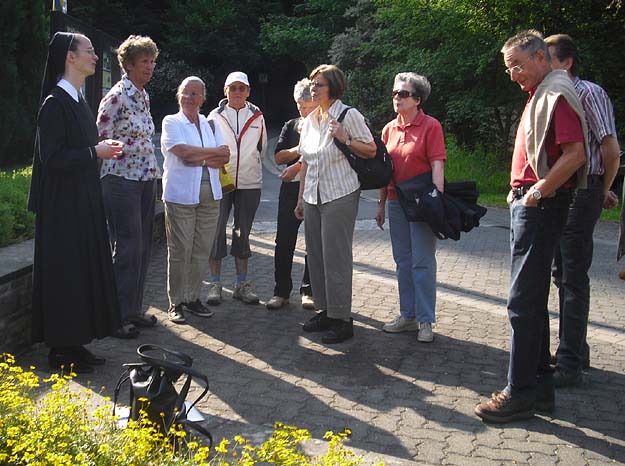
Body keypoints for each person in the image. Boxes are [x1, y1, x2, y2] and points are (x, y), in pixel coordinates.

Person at [475, 30, 588, 423]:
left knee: (521, 302)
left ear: (542, 57)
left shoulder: (555, 94)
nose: (513, 75)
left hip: (541, 207)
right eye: (509, 68)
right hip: (531, 205)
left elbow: (576, 154)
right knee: (532, 299)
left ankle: (518, 391)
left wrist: (537, 192)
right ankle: (540, 390)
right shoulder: (542, 92)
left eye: (518, 65)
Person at [28, 32, 124, 373]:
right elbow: (51, 158)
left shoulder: (79, 99)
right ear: (69, 57)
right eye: (89, 51)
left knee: (79, 272)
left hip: (81, 202)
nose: (96, 57)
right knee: (65, 274)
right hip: (62, 208)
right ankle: (60, 349)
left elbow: (78, 150)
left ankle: (75, 342)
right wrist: (93, 152)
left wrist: (100, 146)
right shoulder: (55, 102)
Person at [544, 34, 621, 387]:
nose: (542, 64)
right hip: (568, 189)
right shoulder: (555, 94)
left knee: (573, 274)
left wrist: (602, 189)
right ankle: (576, 349)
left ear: (567, 62)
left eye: (549, 58)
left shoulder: (588, 92)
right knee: (563, 273)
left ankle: (570, 362)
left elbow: (610, 147)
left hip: (583, 187)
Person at [295, 64, 376, 344]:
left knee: (336, 257)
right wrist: (300, 197)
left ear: (334, 88)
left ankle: (343, 319)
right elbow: (306, 160)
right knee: (315, 256)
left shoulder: (348, 114)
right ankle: (326, 311)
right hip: (313, 196)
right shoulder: (310, 120)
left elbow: (371, 148)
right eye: (312, 84)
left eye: (319, 85)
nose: (313, 89)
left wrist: (346, 138)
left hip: (340, 194)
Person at [375, 72, 446, 343]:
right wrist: (381, 203)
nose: (396, 98)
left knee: (422, 263)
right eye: (394, 93)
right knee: (402, 262)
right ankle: (408, 315)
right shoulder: (389, 129)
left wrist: (437, 201)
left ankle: (426, 321)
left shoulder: (431, 126)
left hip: (422, 202)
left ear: (417, 99)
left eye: (402, 94)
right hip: (395, 201)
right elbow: (384, 171)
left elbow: (438, 163)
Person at [97, 35, 160, 338]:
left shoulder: (143, 96)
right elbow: (99, 138)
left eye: (152, 61)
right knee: (127, 248)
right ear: (130, 64)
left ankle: (134, 309)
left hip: (146, 178)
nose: (149, 66)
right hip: (121, 179)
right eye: (144, 61)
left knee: (143, 247)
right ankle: (116, 316)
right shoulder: (117, 96)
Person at [160, 76, 231, 323]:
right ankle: (175, 302)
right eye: (185, 93)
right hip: (180, 195)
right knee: (180, 250)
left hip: (210, 193)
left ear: (203, 98)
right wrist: (209, 154)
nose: (189, 98)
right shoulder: (172, 121)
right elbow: (182, 152)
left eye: (195, 93)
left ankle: (193, 298)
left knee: (201, 249)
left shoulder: (211, 123)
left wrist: (198, 157)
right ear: (179, 96)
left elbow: (224, 157)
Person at [205, 72, 267, 305]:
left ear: (248, 91)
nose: (237, 92)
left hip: (250, 183)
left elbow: (262, 148)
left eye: (242, 88)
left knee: (243, 232)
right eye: (233, 88)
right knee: (216, 230)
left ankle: (241, 283)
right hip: (221, 182)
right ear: (225, 91)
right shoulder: (214, 116)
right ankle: (215, 283)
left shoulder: (258, 116)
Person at [266, 78, 317, 310]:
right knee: (284, 240)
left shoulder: (323, 125)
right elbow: (277, 157)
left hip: (316, 188)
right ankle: (281, 291)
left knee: (313, 242)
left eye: (307, 106)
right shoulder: (290, 125)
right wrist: (299, 149)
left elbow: (321, 156)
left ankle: (309, 290)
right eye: (299, 106)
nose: (303, 110)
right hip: (290, 190)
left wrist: (297, 164)